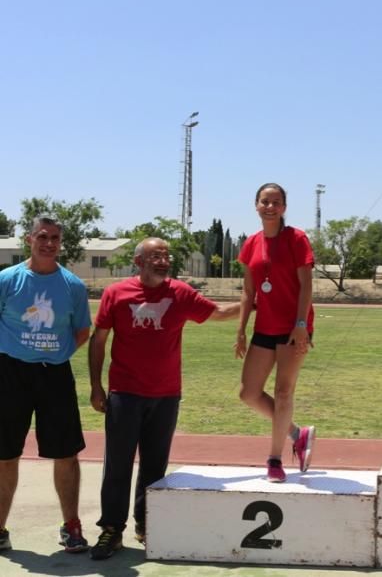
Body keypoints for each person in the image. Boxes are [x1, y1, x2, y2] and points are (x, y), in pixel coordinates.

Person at [87, 237, 240, 560]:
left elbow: (220, 313)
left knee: (155, 467)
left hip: (166, 394)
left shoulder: (179, 293)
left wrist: (255, 302)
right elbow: (98, 341)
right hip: (124, 393)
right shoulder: (116, 293)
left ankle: (147, 525)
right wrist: (96, 386)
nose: (163, 260)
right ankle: (112, 529)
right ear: (139, 260)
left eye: (166, 255)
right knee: (118, 465)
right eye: (155, 255)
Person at [0, 215, 92, 553]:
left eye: (54, 237)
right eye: (42, 236)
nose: (48, 243)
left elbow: (82, 331)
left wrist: (57, 352)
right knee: (5, 455)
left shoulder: (72, 286)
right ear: (29, 239)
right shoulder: (7, 280)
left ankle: (72, 526)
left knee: (66, 453)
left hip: (54, 375)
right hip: (9, 373)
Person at [235, 183, 316, 483]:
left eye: (276, 202)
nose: (270, 206)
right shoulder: (251, 243)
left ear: (284, 207)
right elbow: (248, 291)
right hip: (263, 328)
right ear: (256, 205)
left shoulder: (296, 238)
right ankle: (297, 433)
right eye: (265, 201)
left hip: (293, 329)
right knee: (248, 393)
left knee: (284, 392)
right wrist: (241, 329)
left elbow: (306, 285)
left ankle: (275, 459)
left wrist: (300, 325)